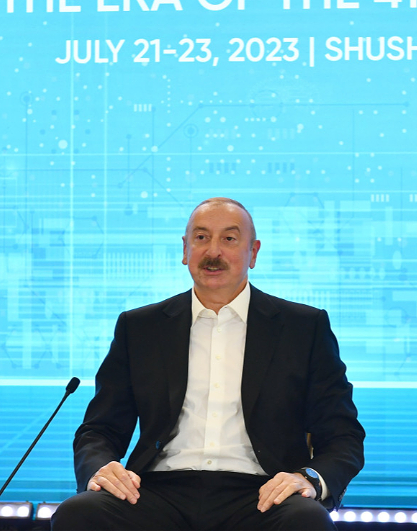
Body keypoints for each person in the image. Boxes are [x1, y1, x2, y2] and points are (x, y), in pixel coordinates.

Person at [52, 197, 364, 530]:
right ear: (185, 249)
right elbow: (100, 429)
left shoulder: (303, 327)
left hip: (264, 493)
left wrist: (310, 478)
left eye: (229, 238)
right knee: (78, 514)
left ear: (253, 252)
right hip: (155, 491)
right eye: (201, 238)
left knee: (306, 520)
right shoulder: (140, 327)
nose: (213, 251)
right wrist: (100, 467)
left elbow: (342, 434)